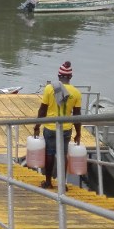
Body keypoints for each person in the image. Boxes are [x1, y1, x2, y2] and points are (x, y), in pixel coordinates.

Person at [33, 61, 82, 189]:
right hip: (66, 129)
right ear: (70, 77)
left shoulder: (50, 89)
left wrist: (37, 126)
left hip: (50, 127)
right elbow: (77, 116)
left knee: (49, 153)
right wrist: (79, 133)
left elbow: (42, 110)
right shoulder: (76, 93)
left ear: (58, 75)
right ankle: (62, 184)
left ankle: (48, 182)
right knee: (62, 154)